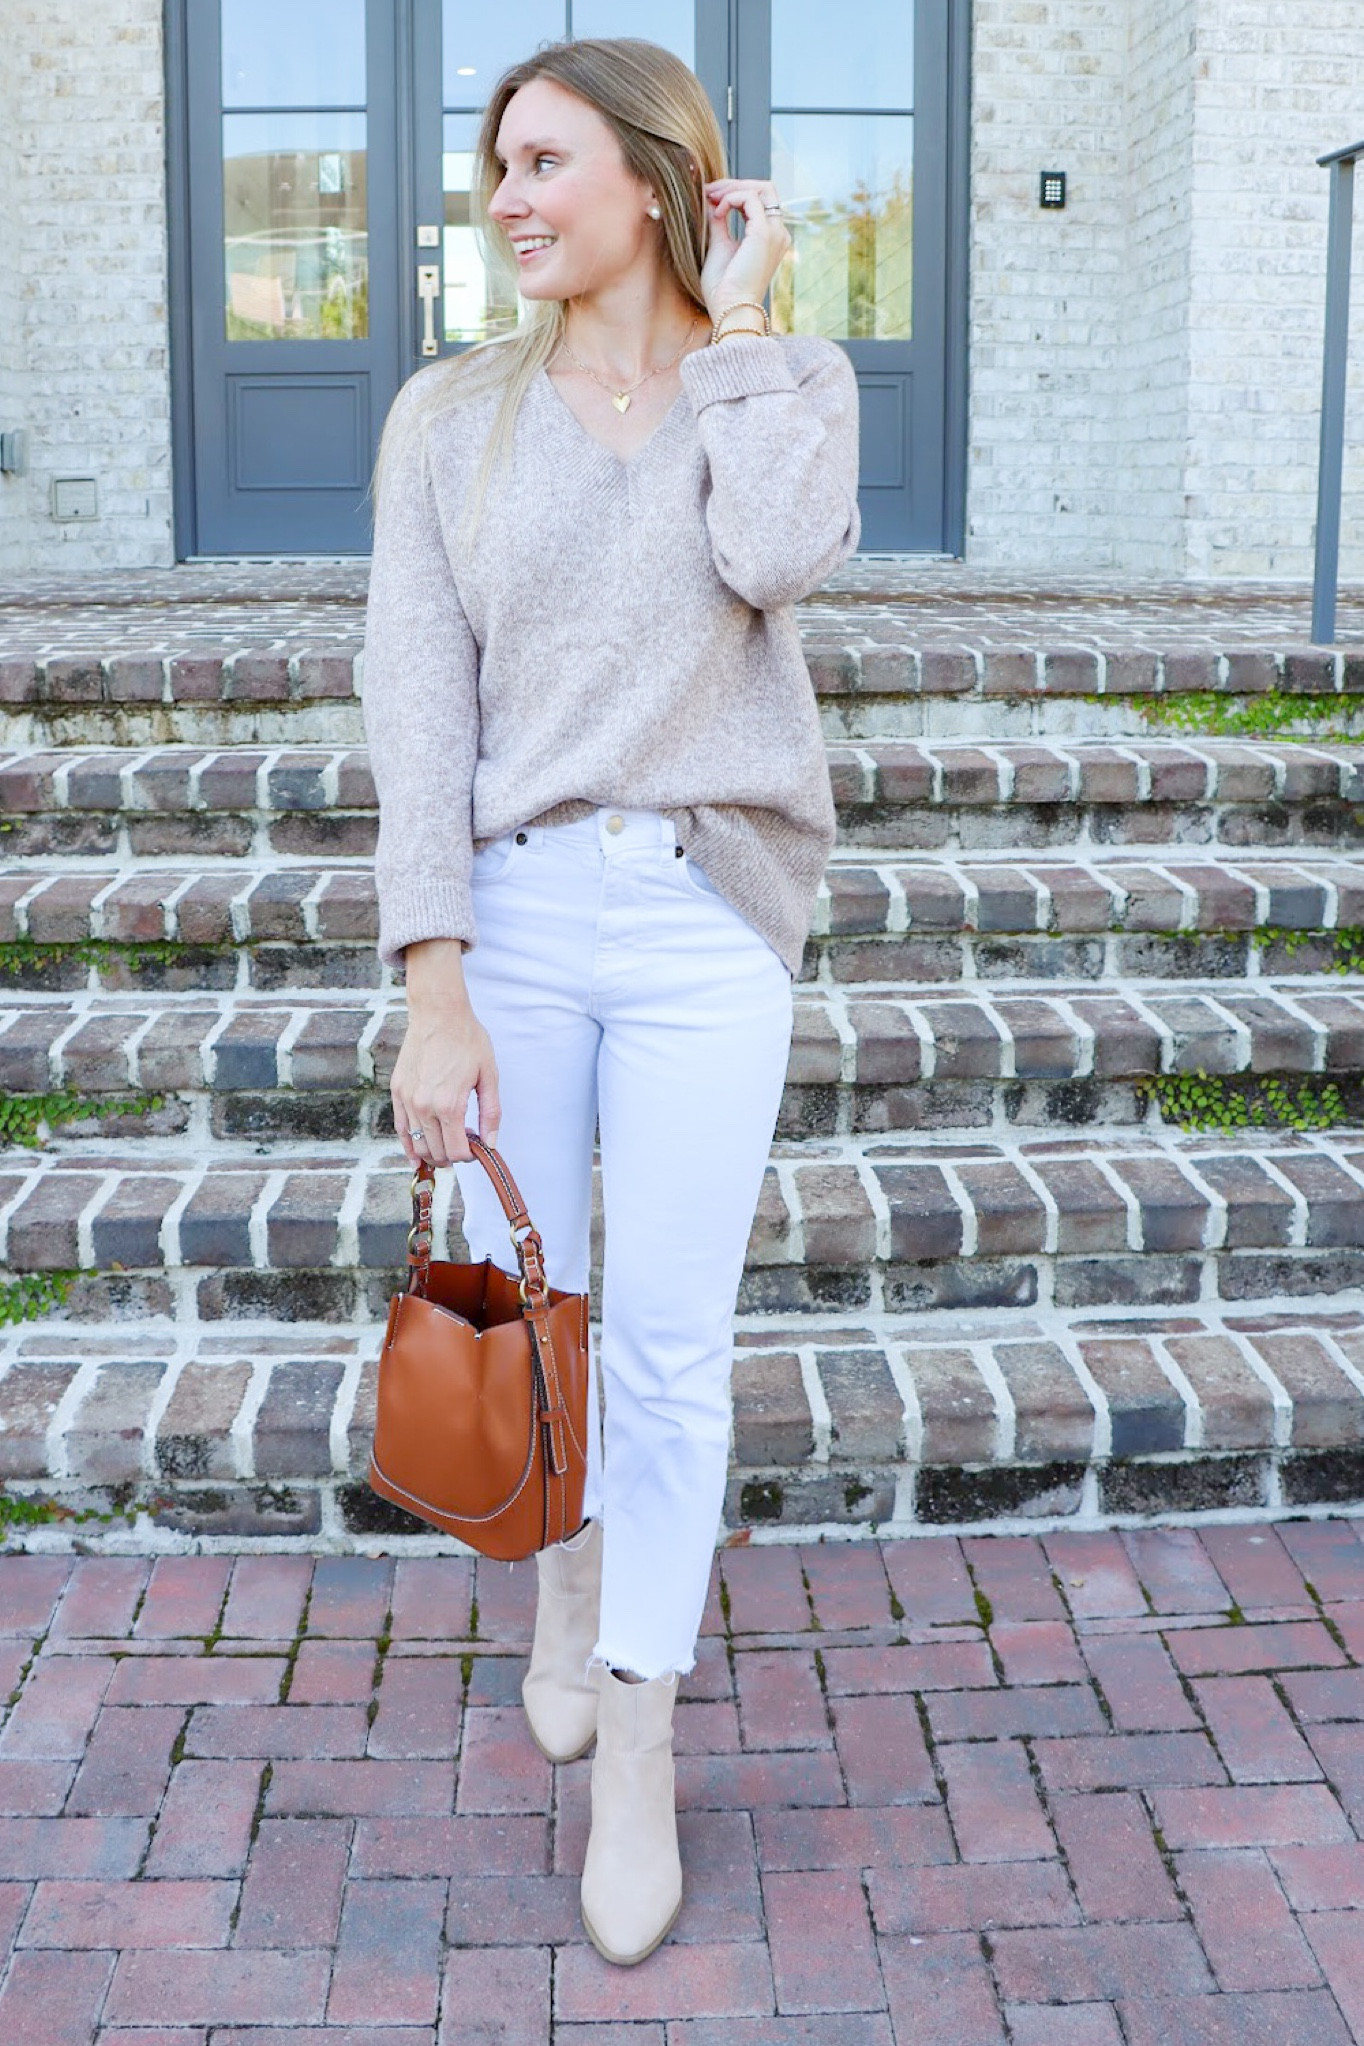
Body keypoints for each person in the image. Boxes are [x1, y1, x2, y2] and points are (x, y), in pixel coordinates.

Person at [361, 34, 860, 1968]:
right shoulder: (447, 419)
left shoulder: (781, 385)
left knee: (666, 1340)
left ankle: (634, 1744)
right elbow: (419, 709)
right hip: (517, 908)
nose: (503, 199)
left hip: (707, 910)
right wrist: (434, 987)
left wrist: (734, 337)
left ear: (650, 180)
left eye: (540, 163)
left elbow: (777, 556)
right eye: (497, 167)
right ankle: (560, 1592)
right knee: (539, 1308)